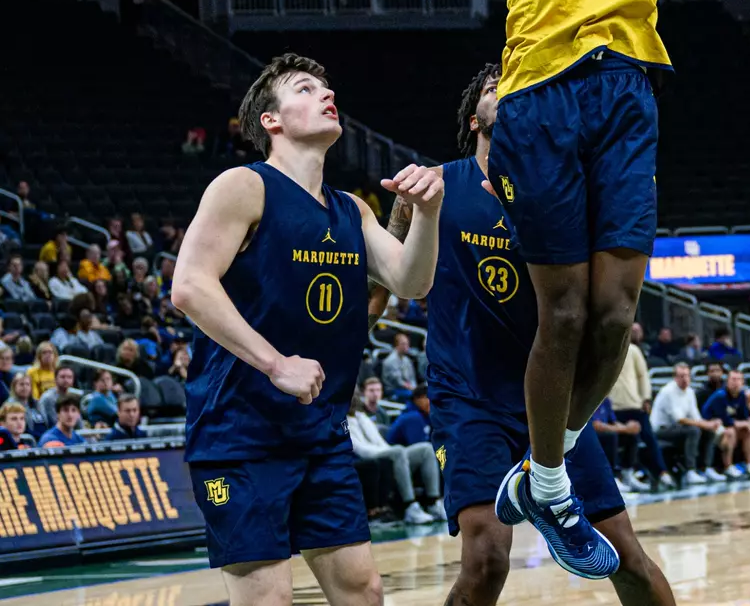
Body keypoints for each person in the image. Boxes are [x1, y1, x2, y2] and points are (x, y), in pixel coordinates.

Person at [432, 0, 675, 574]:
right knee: (564, 315)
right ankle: (548, 470)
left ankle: (547, 470)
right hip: (535, 97)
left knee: (617, 315)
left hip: (623, 90)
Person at [382, 63, 677, 601]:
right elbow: (386, 285)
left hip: (554, 405)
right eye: (498, 88)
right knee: (487, 557)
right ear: (475, 119)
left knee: (627, 558)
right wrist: (405, 213)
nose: (511, 93)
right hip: (470, 400)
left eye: (521, 86)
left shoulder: (563, 196)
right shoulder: (437, 185)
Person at [171, 51, 444, 606]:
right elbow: (190, 286)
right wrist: (276, 364)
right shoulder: (243, 186)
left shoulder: (352, 211)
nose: (325, 95)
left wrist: (429, 214)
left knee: (363, 591)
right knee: (269, 600)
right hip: (240, 434)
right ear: (270, 120)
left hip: (320, 432)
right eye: (304, 89)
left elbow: (411, 283)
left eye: (327, 88)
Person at [347, 397, 442, 524]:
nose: (355, 401)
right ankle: (410, 506)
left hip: (385, 452)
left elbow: (380, 442)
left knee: (426, 449)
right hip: (367, 458)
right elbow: (360, 450)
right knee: (397, 451)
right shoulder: (341, 420)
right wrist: (390, 452)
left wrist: (390, 451)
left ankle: (433, 502)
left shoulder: (362, 417)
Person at [610, 324, 676, 491]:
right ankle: (619, 476)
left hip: (634, 404)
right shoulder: (604, 350)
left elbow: (643, 376)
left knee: (649, 438)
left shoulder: (633, 350)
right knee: (616, 440)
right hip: (611, 406)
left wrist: (646, 397)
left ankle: (662, 473)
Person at [650, 363, 728, 485]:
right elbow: (679, 419)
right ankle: (690, 471)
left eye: (687, 375)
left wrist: (710, 424)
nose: (685, 379)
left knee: (708, 431)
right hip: (660, 430)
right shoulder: (668, 391)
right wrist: (705, 424)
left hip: (678, 428)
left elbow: (695, 417)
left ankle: (706, 468)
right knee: (693, 431)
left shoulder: (690, 392)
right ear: (675, 378)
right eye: (681, 376)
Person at [700, 369, 750, 478]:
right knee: (730, 432)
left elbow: (744, 416)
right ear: (727, 381)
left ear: (743, 382)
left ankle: (749, 465)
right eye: (733, 379)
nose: (735, 382)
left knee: (748, 431)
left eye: (738, 380)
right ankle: (728, 467)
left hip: (728, 426)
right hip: (710, 427)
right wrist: (743, 423)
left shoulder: (742, 396)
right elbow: (725, 420)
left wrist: (749, 421)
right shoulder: (720, 396)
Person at [591, 398, 650, 493]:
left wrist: (628, 427)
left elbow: (613, 422)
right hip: (589, 436)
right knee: (611, 436)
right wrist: (625, 429)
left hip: (604, 434)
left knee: (631, 436)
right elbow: (596, 425)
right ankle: (612, 477)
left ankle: (628, 474)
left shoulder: (606, 400)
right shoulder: (590, 399)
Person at [5, 371, 48, 439]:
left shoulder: (37, 403)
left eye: (27, 384)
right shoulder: (10, 406)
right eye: (21, 384)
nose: (25, 387)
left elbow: (46, 424)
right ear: (14, 386)